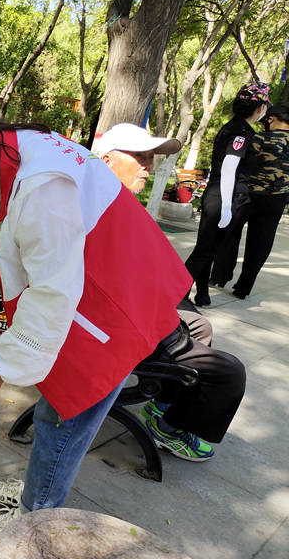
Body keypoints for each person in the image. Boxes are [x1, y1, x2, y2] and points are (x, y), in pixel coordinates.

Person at [0, 98, 192, 544]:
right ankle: (38, 491)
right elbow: (0, 236)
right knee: (55, 404)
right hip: (90, 285)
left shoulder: (39, 182)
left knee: (68, 415)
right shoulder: (2, 156)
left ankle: (35, 521)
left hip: (118, 300)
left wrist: (2, 363)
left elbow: (53, 288)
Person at [96, 124, 245, 460]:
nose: (149, 165)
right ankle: (170, 425)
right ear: (106, 159)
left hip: (135, 312)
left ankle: (164, 409)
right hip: (113, 326)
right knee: (228, 372)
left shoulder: (120, 204)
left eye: (151, 157)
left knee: (199, 325)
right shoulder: (96, 207)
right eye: (140, 156)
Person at [184, 83, 271, 306]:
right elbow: (229, 168)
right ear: (259, 107)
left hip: (217, 193)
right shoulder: (241, 132)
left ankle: (201, 293)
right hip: (226, 196)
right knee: (206, 250)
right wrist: (226, 207)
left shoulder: (231, 127)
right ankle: (175, 292)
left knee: (207, 247)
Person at [213, 104, 289, 298]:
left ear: (271, 119)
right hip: (277, 200)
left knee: (230, 234)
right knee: (262, 242)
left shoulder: (260, 138)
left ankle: (220, 276)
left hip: (248, 196)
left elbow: (244, 165)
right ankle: (244, 287)